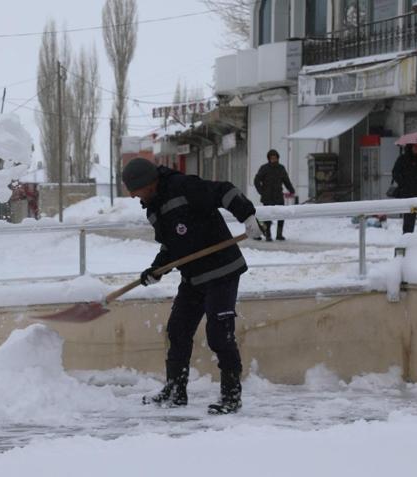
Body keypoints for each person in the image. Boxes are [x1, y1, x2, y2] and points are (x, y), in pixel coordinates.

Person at [122, 157, 262, 415]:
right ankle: (176, 391)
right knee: (177, 331)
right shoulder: (153, 208)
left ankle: (231, 396)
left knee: (219, 334)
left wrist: (247, 215)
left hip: (221, 271)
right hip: (193, 278)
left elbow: (224, 191)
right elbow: (171, 246)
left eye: (135, 189)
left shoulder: (184, 187)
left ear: (148, 182)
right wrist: (156, 270)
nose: (132, 196)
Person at [253, 149, 295, 241]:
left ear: (278, 158)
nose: (273, 159)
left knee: (281, 215)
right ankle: (268, 234)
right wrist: (261, 191)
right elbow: (256, 180)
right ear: (269, 159)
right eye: (272, 158)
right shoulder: (264, 168)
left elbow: (286, 181)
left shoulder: (281, 168)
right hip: (267, 197)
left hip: (278, 196)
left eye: (275, 158)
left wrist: (291, 190)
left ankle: (279, 234)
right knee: (267, 216)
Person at [391, 143, 417, 233]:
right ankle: (407, 234)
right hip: (405, 193)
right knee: (408, 214)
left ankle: (409, 233)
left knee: (412, 214)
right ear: (410, 147)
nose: (416, 148)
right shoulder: (403, 158)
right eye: (414, 146)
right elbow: (395, 173)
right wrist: (404, 183)